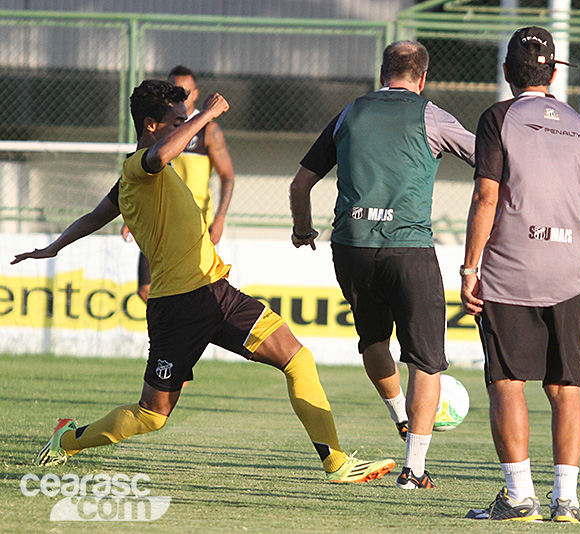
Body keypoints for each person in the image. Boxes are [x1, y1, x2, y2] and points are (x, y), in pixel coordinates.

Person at [12, 80, 394, 484]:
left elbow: (93, 217)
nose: (187, 127)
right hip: (176, 307)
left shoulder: (147, 175)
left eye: (186, 119)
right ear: (151, 125)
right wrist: (205, 114)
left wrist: (53, 247)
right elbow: (152, 161)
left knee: (298, 358)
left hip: (217, 293)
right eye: (177, 121)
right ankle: (66, 441)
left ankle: (336, 463)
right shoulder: (138, 169)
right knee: (152, 415)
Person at [289, 41, 475, 490]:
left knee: (373, 339)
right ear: (423, 77)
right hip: (407, 247)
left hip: (351, 245)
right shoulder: (431, 115)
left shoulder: (350, 112)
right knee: (426, 360)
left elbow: (300, 184)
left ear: (382, 72)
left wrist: (302, 230)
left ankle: (400, 418)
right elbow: (489, 160)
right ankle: (414, 469)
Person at [460, 26, 580, 523]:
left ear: (507, 73)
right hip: (568, 272)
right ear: (554, 72)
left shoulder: (498, 117)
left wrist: (469, 266)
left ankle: (521, 497)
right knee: (567, 388)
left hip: (510, 271)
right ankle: (567, 500)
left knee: (508, 382)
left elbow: (486, 196)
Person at [124, 65, 235, 303]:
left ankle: (185, 332)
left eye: (186, 91)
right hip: (158, 219)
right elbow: (139, 177)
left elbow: (227, 176)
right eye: (176, 90)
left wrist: (220, 218)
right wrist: (130, 214)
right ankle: (177, 333)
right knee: (146, 289)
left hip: (193, 223)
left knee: (195, 291)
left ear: (195, 94)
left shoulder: (208, 130)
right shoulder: (160, 132)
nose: (181, 96)